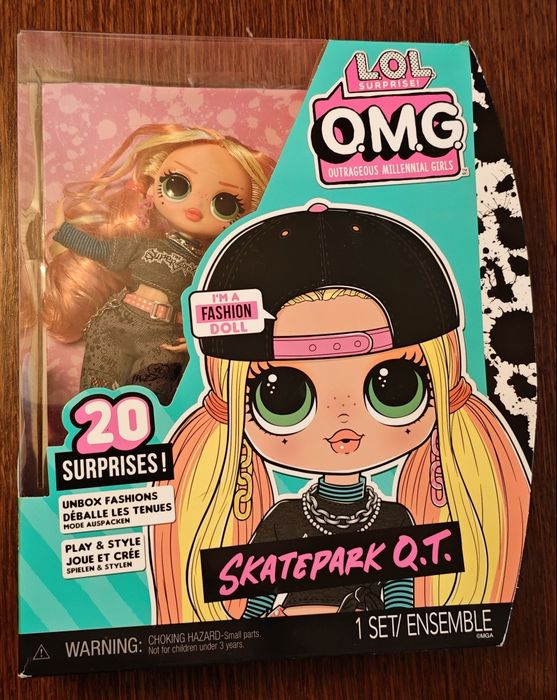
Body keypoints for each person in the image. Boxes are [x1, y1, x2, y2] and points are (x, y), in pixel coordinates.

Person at [151, 203, 531, 623]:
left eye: (394, 388)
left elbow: (400, 600)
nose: (342, 421)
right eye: (283, 398)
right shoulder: (284, 518)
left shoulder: (394, 519)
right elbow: (255, 600)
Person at [43, 124, 274, 404]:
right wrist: (64, 232)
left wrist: (199, 339)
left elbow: (223, 311)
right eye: (178, 185)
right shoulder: (143, 244)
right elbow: (102, 251)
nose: (196, 205)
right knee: (97, 394)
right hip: (119, 322)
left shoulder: (210, 268)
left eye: (224, 204)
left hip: (165, 338)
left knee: (151, 404)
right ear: (152, 189)